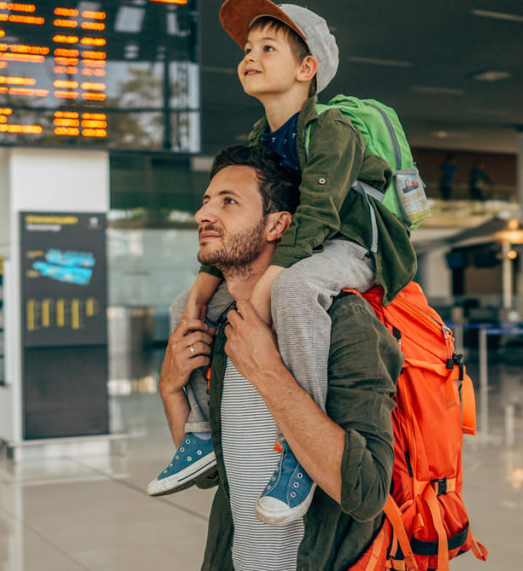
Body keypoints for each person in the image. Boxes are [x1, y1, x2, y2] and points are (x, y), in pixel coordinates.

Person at [146, 0, 416, 527]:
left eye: (268, 47)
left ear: (307, 68)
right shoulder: (261, 140)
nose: (250, 55)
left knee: (293, 290)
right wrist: (198, 299)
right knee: (187, 298)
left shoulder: (332, 131)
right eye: (248, 48)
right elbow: (260, 222)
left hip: (354, 245)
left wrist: (264, 286)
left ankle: (299, 446)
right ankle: (200, 435)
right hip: (305, 247)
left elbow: (312, 219)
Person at [158, 144, 400, 571]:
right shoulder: (221, 326)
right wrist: (171, 389)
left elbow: (364, 491)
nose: (203, 215)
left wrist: (268, 371)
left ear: (277, 225)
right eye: (206, 202)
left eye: (228, 202)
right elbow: (215, 476)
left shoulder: (342, 322)